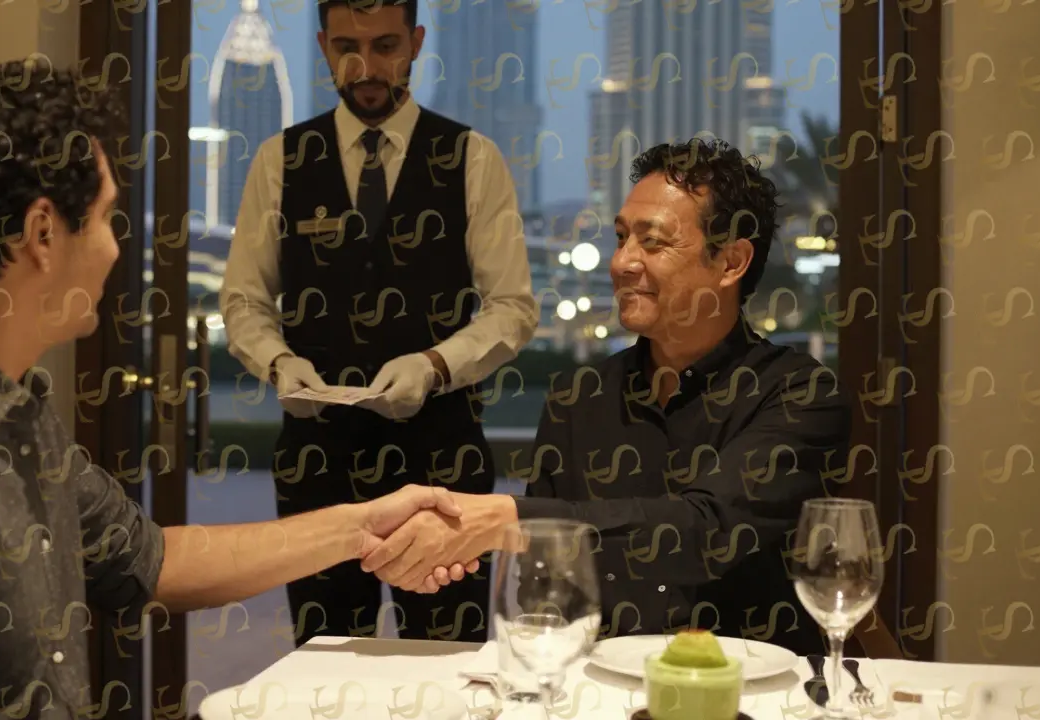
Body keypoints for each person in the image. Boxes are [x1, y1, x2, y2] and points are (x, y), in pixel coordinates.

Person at [0, 59, 476, 717]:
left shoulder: (8, 406)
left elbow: (154, 559)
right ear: (42, 234)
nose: (119, 247)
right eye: (108, 216)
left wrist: (365, 524)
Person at [360, 139, 850, 657]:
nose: (622, 263)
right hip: (595, 688)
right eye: (621, 238)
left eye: (653, 243)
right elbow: (543, 585)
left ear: (731, 261)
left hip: (749, 693)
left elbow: (709, 529)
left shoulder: (799, 393)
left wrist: (506, 520)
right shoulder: (579, 397)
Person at [219, 0, 537, 645]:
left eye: (386, 45)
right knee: (324, 656)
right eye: (347, 47)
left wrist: (435, 364)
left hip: (442, 461)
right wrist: (278, 363)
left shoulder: (471, 157)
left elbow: (513, 307)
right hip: (318, 463)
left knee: (447, 658)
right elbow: (244, 301)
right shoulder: (281, 159)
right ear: (322, 46)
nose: (365, 66)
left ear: (416, 43)